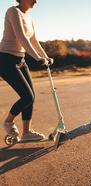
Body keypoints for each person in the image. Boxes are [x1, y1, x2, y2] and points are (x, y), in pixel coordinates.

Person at [0, 0, 53, 142]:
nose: (36, 1)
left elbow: (34, 40)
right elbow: (22, 37)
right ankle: (8, 122)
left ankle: (26, 133)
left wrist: (45, 57)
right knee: (27, 96)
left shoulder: (29, 17)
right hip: (6, 60)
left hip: (20, 60)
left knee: (31, 96)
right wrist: (37, 58)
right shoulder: (13, 12)